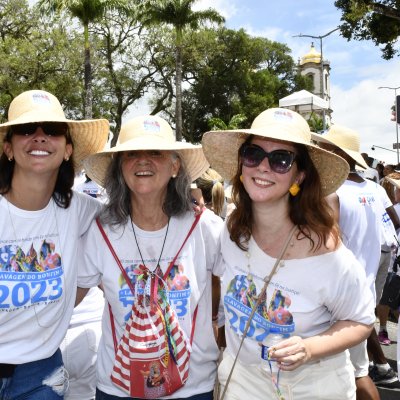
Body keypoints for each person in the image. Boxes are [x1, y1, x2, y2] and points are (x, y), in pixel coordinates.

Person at [201, 108, 375, 400]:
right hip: (242, 383)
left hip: (312, 388)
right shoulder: (231, 230)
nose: (263, 167)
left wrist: (309, 348)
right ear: (242, 165)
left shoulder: (326, 251)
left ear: (300, 175)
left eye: (281, 159)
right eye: (253, 154)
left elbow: (360, 321)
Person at [76, 115, 223, 399]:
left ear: (175, 165)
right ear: (120, 167)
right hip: (119, 386)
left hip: (191, 387)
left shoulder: (204, 226)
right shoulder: (102, 230)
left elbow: (243, 278)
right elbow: (72, 295)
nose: (143, 161)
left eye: (155, 152)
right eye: (131, 154)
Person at [0, 89, 109, 399]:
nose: (39, 137)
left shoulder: (82, 211)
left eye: (52, 130)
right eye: (25, 130)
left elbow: (136, 223)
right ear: (9, 148)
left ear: (67, 150)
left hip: (41, 376)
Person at [312, 125, 399, 397]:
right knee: (356, 369)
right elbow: (394, 223)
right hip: (367, 282)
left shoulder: (331, 191)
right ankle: (382, 367)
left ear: (337, 154)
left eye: (325, 147)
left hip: (338, 292)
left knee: (351, 373)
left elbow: (327, 240)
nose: (320, 152)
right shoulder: (375, 189)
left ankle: (383, 367)